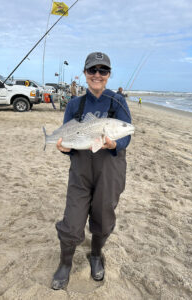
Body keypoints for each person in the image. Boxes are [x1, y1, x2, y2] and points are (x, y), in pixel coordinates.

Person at [52, 52, 132, 290]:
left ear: (109, 75)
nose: (97, 75)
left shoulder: (118, 102)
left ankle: (95, 255)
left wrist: (115, 144)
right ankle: (65, 263)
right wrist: (62, 148)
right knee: (72, 220)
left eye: (103, 71)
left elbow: (126, 135)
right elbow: (66, 137)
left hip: (110, 170)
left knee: (104, 217)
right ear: (85, 73)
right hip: (80, 170)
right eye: (92, 70)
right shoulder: (76, 104)